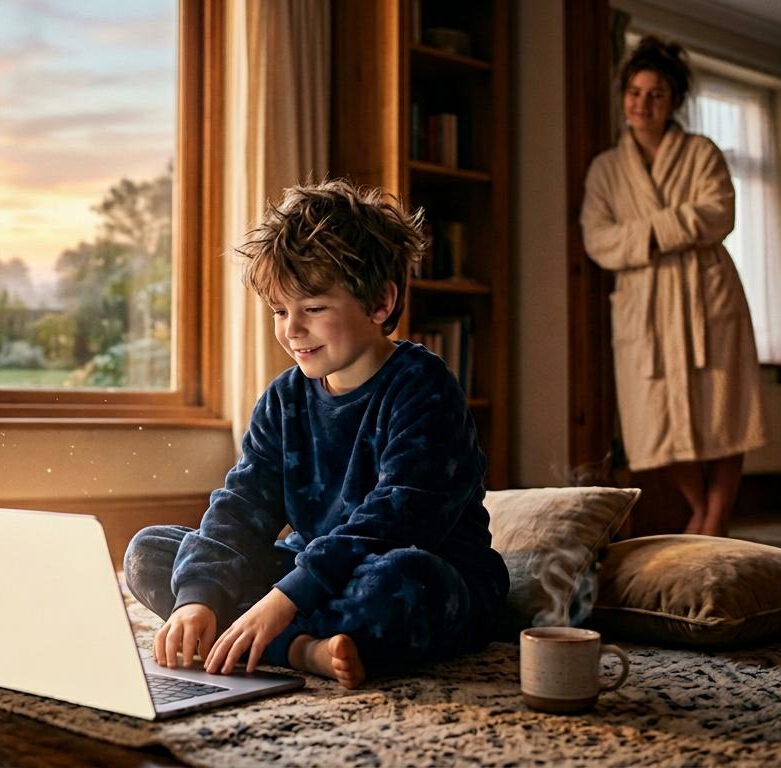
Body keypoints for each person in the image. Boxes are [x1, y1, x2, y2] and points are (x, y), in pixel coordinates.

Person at [124, 179, 512, 689]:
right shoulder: (284, 399)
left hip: (418, 569)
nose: (291, 330)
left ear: (379, 302)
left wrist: (285, 598)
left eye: (313, 309)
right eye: (280, 312)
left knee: (405, 582)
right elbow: (241, 506)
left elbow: (397, 520)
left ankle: (273, 637)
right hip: (314, 569)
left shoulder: (424, 386)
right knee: (152, 551)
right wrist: (199, 596)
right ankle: (302, 648)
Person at [580, 36, 766, 538]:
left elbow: (718, 213)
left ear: (675, 101)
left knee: (724, 414)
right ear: (623, 96)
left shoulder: (701, 153)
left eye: (656, 94)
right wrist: (671, 230)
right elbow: (598, 240)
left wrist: (644, 233)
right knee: (659, 425)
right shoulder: (606, 170)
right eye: (635, 92)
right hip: (647, 307)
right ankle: (704, 512)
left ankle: (712, 521)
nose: (643, 104)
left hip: (706, 297)